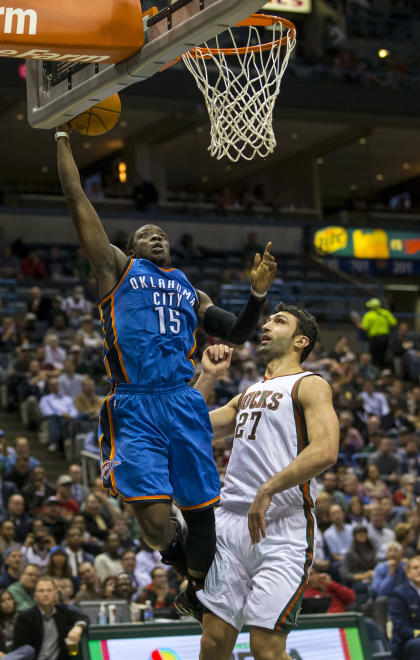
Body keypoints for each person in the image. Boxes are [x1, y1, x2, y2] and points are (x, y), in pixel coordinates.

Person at [56, 127, 277, 602]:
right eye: (145, 235)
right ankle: (178, 559)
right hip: (134, 403)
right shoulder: (117, 271)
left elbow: (237, 332)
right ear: (131, 249)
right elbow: (77, 200)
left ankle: (198, 593)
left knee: (203, 513)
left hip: (181, 401)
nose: (156, 237)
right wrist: (61, 136)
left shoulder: (189, 290)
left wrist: (257, 295)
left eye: (161, 235)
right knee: (156, 526)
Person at [188, 302, 339, 660]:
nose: (266, 325)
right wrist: (208, 375)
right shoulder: (249, 393)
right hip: (230, 523)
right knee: (212, 642)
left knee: (266, 649)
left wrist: (269, 488)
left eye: (279, 321)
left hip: (282, 525)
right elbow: (190, 430)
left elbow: (326, 451)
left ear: (301, 340)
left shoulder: (310, 384)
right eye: (267, 320)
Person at [12, 576, 89, 660]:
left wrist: (78, 627)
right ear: (35, 596)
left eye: (49, 590)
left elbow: (83, 617)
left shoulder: (61, 611)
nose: (45, 594)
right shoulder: (25, 618)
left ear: (55, 594)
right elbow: (20, 651)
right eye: (41, 591)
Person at [388, 555, 420, 660]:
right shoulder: (399, 594)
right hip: (407, 641)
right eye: (415, 568)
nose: (419, 570)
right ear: (408, 573)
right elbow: (402, 628)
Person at [355, 298, 397, 369]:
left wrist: (358, 324)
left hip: (374, 339)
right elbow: (394, 323)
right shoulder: (385, 313)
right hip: (384, 338)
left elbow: (365, 328)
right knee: (382, 356)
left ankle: (375, 371)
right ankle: (382, 370)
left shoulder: (368, 315)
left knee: (374, 356)